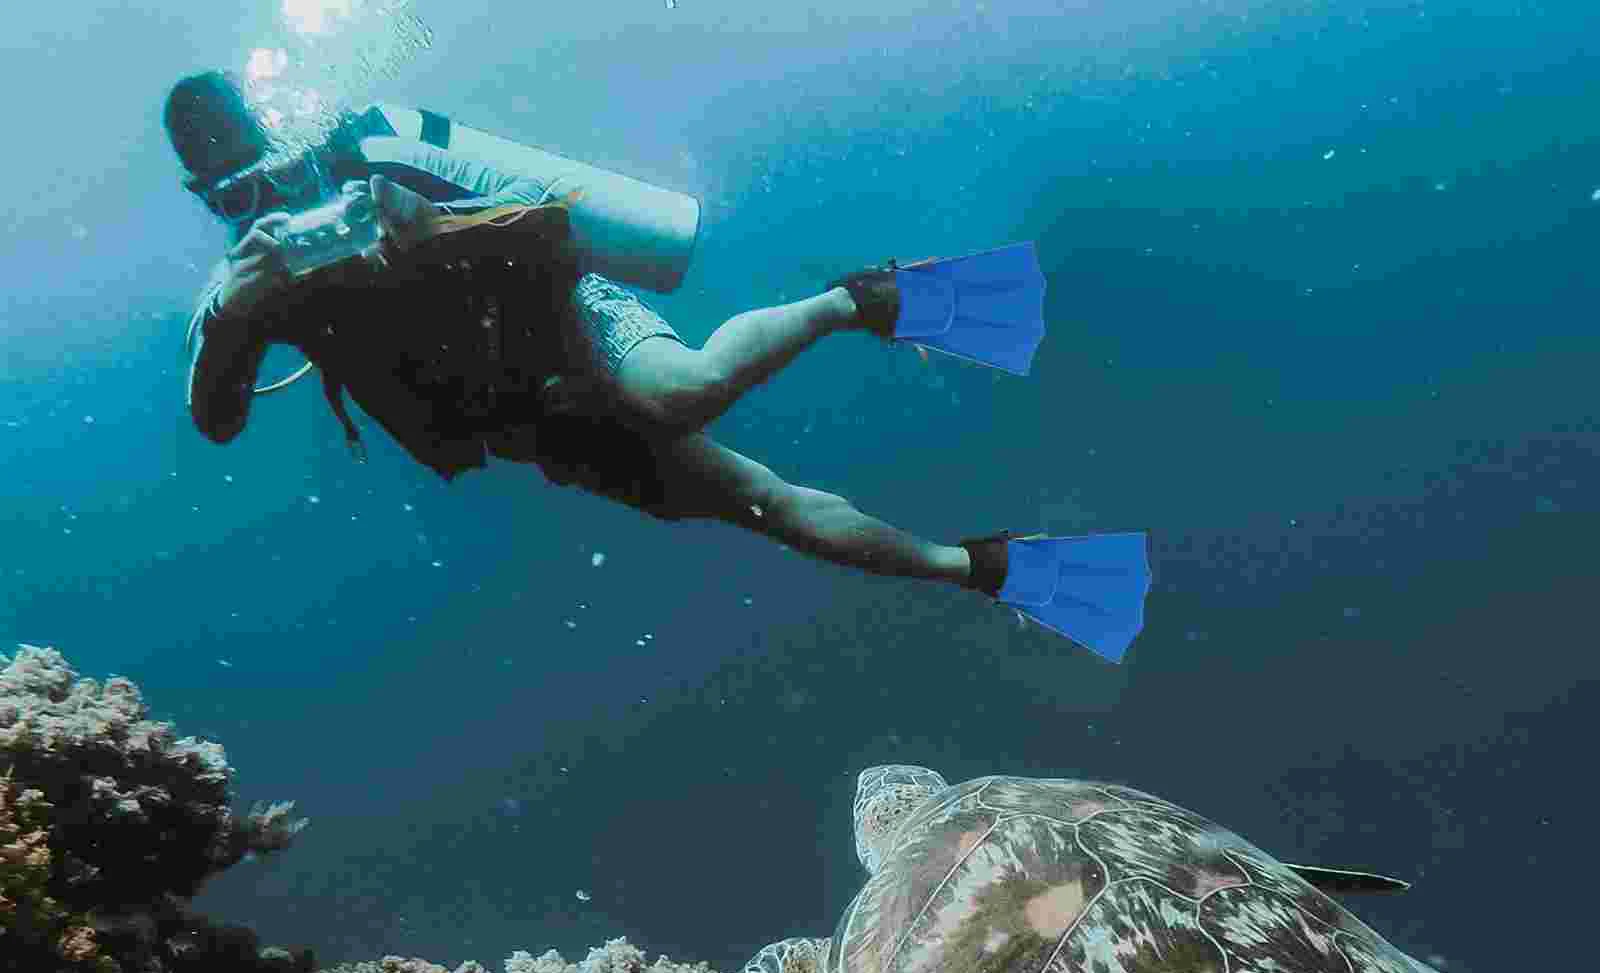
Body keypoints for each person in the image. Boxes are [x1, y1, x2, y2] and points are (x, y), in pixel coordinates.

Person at [167, 71, 1149, 660]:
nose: (264, 209)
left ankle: (855, 300)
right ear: (206, 200)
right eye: (230, 199)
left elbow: (544, 226)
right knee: (761, 506)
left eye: (266, 175)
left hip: (570, 324)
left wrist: (428, 227)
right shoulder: (246, 288)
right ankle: (993, 567)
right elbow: (215, 422)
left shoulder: (370, 161)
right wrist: (236, 316)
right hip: (529, 421)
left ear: (282, 141)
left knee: (680, 391)